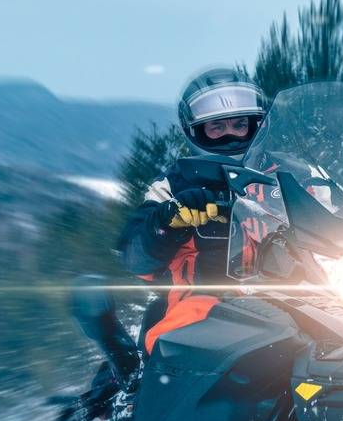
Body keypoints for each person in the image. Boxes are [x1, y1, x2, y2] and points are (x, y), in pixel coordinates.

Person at [115, 67, 268, 354]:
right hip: (209, 305)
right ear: (197, 131)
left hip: (301, 299)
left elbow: (341, 216)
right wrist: (167, 220)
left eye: (239, 124)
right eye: (217, 128)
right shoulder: (174, 183)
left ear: (256, 124)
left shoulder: (295, 174)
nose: (230, 135)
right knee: (181, 344)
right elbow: (135, 258)